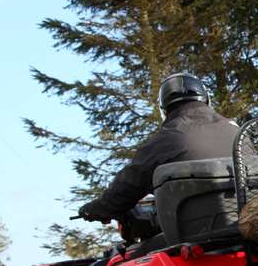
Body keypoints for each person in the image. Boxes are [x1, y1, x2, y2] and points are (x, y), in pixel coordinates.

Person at [77, 73, 240, 224]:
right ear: (206, 99)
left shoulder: (166, 138)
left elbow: (126, 187)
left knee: (131, 254)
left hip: (195, 230)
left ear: (164, 109)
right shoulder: (237, 131)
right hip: (247, 224)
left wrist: (95, 210)